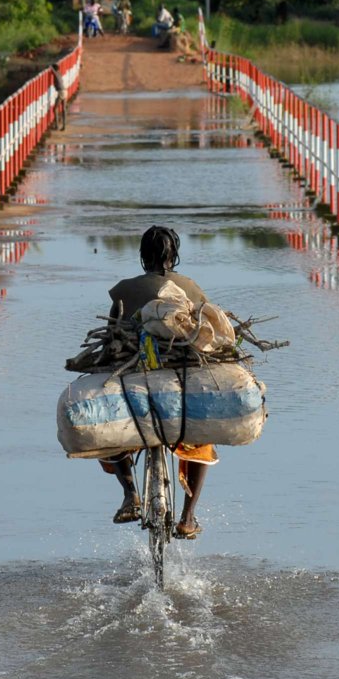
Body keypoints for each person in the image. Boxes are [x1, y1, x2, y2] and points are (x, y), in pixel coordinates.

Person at [101, 225, 215, 539]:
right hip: (180, 388)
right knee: (203, 438)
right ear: (174, 255)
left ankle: (129, 493)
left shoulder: (124, 289)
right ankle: (188, 518)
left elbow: (110, 340)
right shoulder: (189, 288)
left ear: (141, 255)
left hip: (135, 385)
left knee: (103, 419)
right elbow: (207, 336)